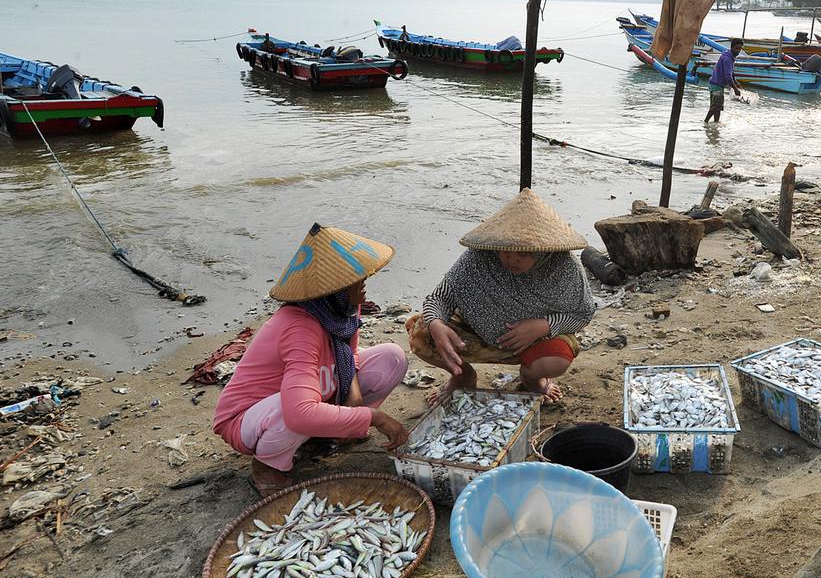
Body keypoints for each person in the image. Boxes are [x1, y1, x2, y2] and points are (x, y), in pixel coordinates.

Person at [213, 223, 411, 495]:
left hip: (313, 391)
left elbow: (350, 356)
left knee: (392, 357)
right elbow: (298, 412)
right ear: (336, 288)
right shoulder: (300, 326)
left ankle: (326, 432)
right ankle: (267, 468)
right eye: (357, 281)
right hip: (250, 418)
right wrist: (374, 417)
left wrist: (353, 402)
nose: (364, 286)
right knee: (292, 410)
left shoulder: (343, 313)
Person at [407, 189, 596, 405]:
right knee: (421, 333)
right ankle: (463, 376)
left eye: (523, 254)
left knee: (555, 360)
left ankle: (532, 380)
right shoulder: (479, 257)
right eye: (504, 251)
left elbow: (583, 314)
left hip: (532, 342)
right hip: (474, 334)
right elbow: (438, 299)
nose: (511, 260)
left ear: (543, 251)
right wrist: (436, 325)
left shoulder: (565, 267)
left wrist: (542, 326)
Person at [704, 37, 743, 123]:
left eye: (740, 49)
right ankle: (705, 122)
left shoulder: (728, 55)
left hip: (716, 84)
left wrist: (735, 81)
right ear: (732, 47)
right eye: (736, 48)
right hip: (717, 85)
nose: (738, 51)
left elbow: (730, 72)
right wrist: (735, 89)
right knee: (715, 107)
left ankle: (716, 124)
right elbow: (728, 77)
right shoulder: (728, 59)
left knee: (718, 107)